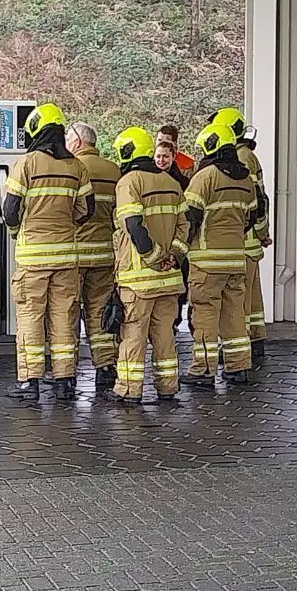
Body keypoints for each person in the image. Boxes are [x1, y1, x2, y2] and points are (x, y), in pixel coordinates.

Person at [3, 103, 95, 402]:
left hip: (33, 258)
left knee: (31, 317)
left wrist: (21, 229)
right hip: (67, 257)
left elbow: (10, 210)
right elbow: (86, 210)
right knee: (64, 318)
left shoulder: (27, 164)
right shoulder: (76, 166)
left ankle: (30, 382)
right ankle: (65, 380)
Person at [110, 127, 190, 403]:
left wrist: (154, 256)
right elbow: (184, 226)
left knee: (133, 335)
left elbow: (133, 226)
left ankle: (129, 389)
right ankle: (168, 386)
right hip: (169, 279)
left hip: (139, 279)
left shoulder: (129, 182)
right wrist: (174, 257)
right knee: (164, 336)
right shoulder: (172, 183)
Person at [182, 123, 257, 387]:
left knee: (204, 314)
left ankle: (203, 369)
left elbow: (189, 218)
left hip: (206, 262)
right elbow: (252, 216)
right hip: (236, 259)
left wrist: (181, 247)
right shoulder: (246, 178)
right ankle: (238, 367)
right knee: (235, 313)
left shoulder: (205, 177)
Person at [209, 107, 272, 360]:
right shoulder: (247, 155)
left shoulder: (240, 159)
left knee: (240, 300)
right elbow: (261, 200)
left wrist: (257, 229)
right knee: (252, 295)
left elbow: (254, 201)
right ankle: (254, 338)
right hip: (249, 241)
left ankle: (240, 344)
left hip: (240, 241)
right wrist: (262, 231)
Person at [66, 121, 121, 389]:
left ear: (77, 141)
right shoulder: (114, 171)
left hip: (74, 254)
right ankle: (106, 365)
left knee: (68, 311)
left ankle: (67, 370)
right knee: (100, 311)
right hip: (104, 253)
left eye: (67, 138)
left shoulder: (72, 168)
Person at [155, 140, 192, 333]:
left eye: (165, 156)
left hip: (176, 241)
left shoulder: (183, 183)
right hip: (156, 240)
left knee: (178, 284)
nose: (162, 160)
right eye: (159, 156)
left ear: (173, 157)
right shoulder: (149, 179)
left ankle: (174, 321)